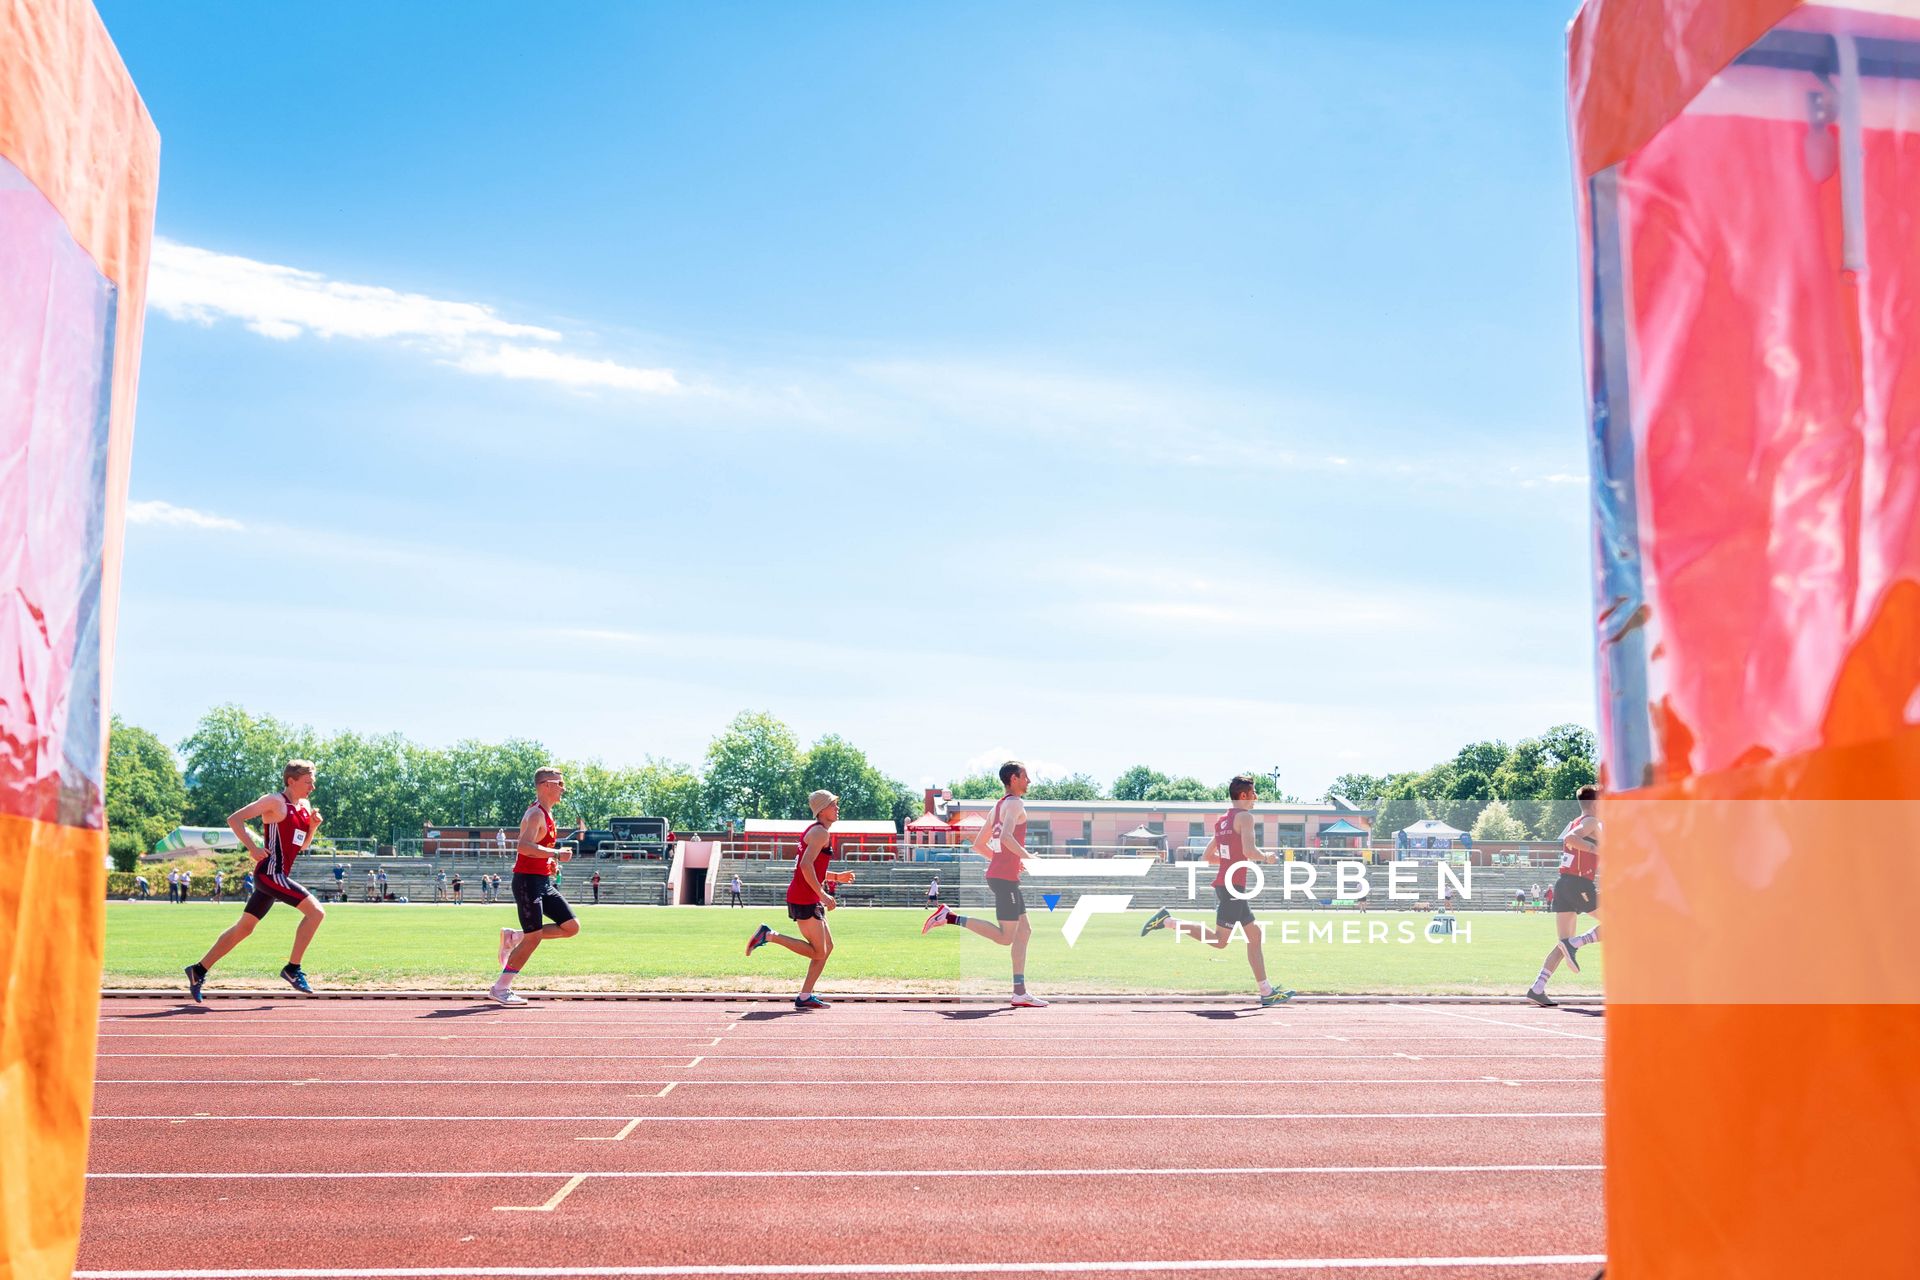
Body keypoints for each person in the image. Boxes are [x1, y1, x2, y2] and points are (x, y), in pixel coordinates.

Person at [1140, 775, 1292, 1007]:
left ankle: (1266, 991)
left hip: (1230, 884)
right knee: (1220, 941)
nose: (1256, 798)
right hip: (1233, 886)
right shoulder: (1245, 817)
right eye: (1253, 794)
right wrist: (1267, 857)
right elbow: (1250, 851)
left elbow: (1207, 856)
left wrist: (1231, 859)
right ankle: (1167, 921)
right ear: (1243, 796)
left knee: (1255, 935)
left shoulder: (1222, 820)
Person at [184, 761, 327, 1002]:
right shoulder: (274, 801)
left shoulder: (304, 806)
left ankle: (198, 970)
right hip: (269, 874)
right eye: (308, 782)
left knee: (244, 929)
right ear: (291, 781)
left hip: (278, 876)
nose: (312, 786)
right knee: (316, 913)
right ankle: (292, 969)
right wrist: (252, 848)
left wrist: (312, 827)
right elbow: (235, 819)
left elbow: (301, 845)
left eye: (313, 781)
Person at [921, 761, 1047, 1008]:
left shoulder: (998, 807)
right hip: (1004, 879)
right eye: (1025, 776)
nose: (1029, 781)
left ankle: (1019, 992)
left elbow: (979, 845)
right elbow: (1008, 837)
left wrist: (1006, 858)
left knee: (1024, 931)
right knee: (1004, 938)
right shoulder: (1015, 803)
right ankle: (949, 917)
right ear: (1013, 779)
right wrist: (1027, 857)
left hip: (1003, 875)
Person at [490, 767, 582, 1006]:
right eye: (560, 783)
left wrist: (550, 862)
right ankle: (501, 988)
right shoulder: (535, 814)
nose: (564, 788)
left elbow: (535, 850)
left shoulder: (549, 815)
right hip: (527, 882)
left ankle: (514, 937)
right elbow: (523, 846)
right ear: (545, 785)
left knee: (571, 927)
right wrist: (556, 853)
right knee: (534, 938)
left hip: (543, 881)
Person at [745, 790, 842, 1009]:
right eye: (833, 804)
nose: (837, 808)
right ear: (821, 810)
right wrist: (823, 895)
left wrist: (836, 877)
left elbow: (812, 867)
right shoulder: (819, 833)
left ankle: (805, 996)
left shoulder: (816, 831)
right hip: (804, 897)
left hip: (807, 896)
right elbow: (805, 866)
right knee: (819, 951)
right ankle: (768, 935)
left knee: (828, 948)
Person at [1526, 785, 1603, 1008]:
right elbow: (1571, 839)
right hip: (1579, 884)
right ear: (1596, 804)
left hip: (1564, 885)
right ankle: (1578, 942)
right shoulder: (1591, 822)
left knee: (1562, 944)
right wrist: (1596, 849)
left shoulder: (1575, 821)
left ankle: (1537, 987)